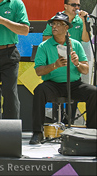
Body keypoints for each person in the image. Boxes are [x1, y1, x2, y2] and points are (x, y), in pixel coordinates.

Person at [30, 12, 96, 144]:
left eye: (59, 24)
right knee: (39, 90)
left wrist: (77, 63)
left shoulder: (76, 45)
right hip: (53, 84)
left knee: (94, 92)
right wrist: (55, 65)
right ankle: (37, 132)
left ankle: (92, 132)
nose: (54, 27)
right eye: (53, 24)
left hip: (74, 84)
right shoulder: (45, 46)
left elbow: (85, 69)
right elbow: (38, 71)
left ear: (66, 27)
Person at [42, 0, 91, 124]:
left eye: (78, 5)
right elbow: (45, 38)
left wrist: (85, 21)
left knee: (75, 89)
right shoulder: (55, 20)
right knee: (55, 89)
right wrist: (61, 37)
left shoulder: (80, 20)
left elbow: (86, 39)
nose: (76, 7)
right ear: (65, 6)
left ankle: (69, 121)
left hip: (75, 57)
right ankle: (54, 123)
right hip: (58, 57)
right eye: (73, 5)